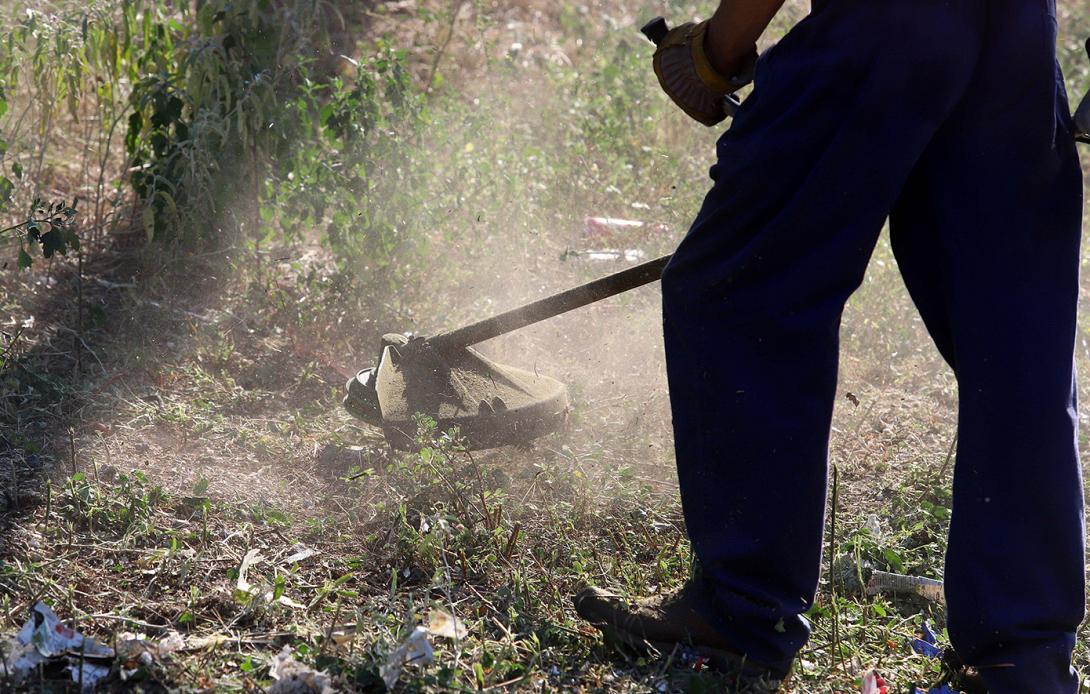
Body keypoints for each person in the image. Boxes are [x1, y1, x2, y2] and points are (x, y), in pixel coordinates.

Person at [574, 1, 1087, 692]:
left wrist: (719, 49)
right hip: (1014, 29)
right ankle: (1019, 656)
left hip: (884, 25)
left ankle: (743, 610)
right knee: (1014, 341)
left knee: (739, 288)